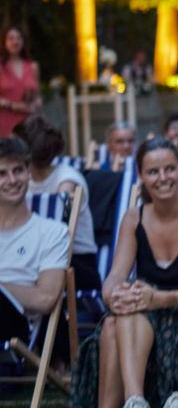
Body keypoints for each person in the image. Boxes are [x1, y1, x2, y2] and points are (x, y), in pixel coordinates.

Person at [41, 138, 178, 408]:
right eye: (153, 171)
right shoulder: (133, 218)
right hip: (144, 313)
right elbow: (113, 277)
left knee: (118, 321)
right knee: (117, 317)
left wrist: (157, 298)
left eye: (170, 168)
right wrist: (115, 293)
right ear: (141, 175)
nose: (163, 177)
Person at [15, 116, 100, 294]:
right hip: (34, 260)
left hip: (75, 264)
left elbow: (57, 240)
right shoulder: (21, 181)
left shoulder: (66, 180)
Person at [0, 137, 69, 355]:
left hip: (15, 326)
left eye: (18, 170)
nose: (12, 180)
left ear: (28, 171)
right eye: (1, 174)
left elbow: (45, 299)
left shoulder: (53, 232)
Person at [0, 25, 41, 137]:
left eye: (19, 38)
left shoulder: (33, 66)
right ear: (4, 42)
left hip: (27, 126)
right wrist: (12, 105)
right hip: (4, 126)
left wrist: (35, 104)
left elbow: (38, 96)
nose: (15, 41)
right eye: (11, 38)